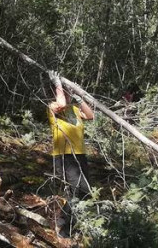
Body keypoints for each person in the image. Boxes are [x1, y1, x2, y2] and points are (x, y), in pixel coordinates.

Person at [47, 71, 94, 239]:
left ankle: (64, 220)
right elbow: (60, 102)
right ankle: (65, 229)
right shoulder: (53, 108)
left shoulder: (74, 109)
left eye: (68, 93)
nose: (67, 95)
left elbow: (90, 115)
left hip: (80, 155)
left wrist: (80, 99)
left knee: (86, 191)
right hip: (65, 156)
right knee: (79, 189)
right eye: (65, 93)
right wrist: (58, 84)